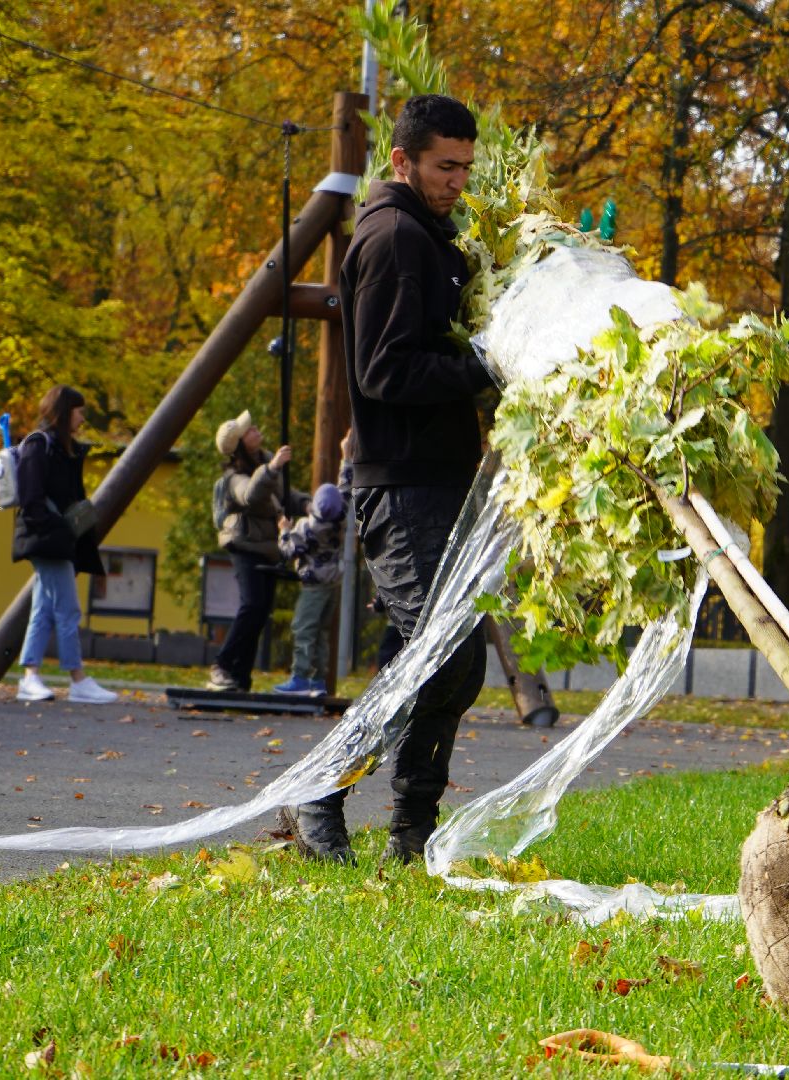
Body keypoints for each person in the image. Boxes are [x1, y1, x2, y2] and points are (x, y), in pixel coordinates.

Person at [281, 94, 493, 865]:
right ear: (403, 162)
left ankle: (411, 836)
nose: (458, 181)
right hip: (400, 486)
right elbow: (382, 370)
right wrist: (485, 365)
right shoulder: (397, 236)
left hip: (435, 478)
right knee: (447, 655)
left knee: (430, 651)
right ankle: (323, 791)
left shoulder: (432, 236)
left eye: (466, 167)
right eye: (446, 166)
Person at [10, 385, 117, 705]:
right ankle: (77, 679)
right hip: (47, 540)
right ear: (64, 411)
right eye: (79, 411)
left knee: (43, 609)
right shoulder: (38, 446)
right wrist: (62, 527)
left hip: (53, 540)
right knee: (67, 609)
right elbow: (31, 501)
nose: (83, 417)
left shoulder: (60, 448)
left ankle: (30, 676)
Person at [207, 410, 307, 692]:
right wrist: (272, 467)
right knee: (251, 605)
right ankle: (222, 665)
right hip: (245, 546)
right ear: (239, 444)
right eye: (249, 431)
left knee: (261, 611)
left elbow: (286, 495)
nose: (256, 430)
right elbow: (250, 495)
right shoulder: (234, 477)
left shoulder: (264, 465)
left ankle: (240, 678)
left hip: (267, 548)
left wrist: (308, 505)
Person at [272, 435, 354, 695]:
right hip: (333, 582)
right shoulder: (340, 516)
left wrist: (284, 530)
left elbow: (288, 550)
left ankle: (300, 677)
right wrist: (346, 456)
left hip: (314, 585)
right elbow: (346, 485)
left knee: (304, 628)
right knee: (321, 632)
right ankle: (319, 681)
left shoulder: (307, 528)